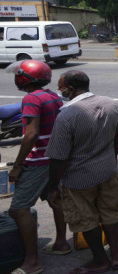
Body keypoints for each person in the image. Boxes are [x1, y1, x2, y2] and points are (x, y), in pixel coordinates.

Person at [46, 71, 118, 273]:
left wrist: (52, 187)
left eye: (61, 87)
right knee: (110, 213)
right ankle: (117, 255)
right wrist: (111, 157)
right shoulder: (111, 104)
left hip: (79, 179)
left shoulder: (66, 116)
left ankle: (100, 260)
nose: (60, 91)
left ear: (71, 88)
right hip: (108, 171)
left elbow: (58, 159)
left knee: (87, 218)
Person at [6, 60, 70, 274]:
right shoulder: (52, 95)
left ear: (25, 78)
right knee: (54, 199)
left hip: (38, 161)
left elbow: (31, 134)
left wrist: (17, 165)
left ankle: (32, 262)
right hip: (55, 158)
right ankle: (62, 243)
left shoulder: (31, 98)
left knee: (19, 208)